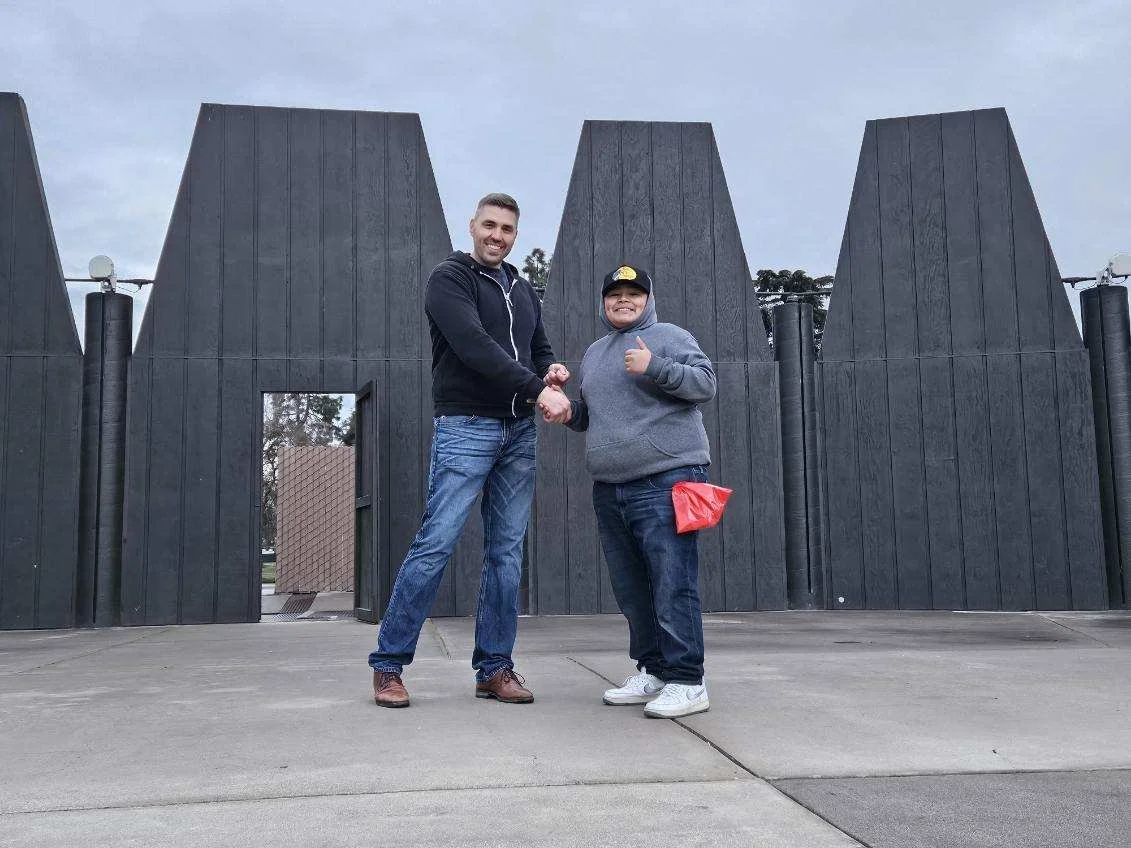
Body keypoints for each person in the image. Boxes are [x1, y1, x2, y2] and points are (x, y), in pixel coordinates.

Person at [369, 193, 572, 708]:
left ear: (515, 235)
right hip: (467, 427)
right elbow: (474, 346)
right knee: (436, 543)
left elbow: (538, 347)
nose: (497, 236)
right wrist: (538, 390)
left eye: (507, 229)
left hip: (518, 432)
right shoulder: (450, 279)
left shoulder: (522, 289)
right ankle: (388, 665)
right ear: (473, 226)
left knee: (505, 553)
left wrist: (550, 371)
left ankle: (494, 669)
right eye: (489, 225)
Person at [540, 265, 716, 718]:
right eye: (615, 293)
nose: (623, 300)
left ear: (648, 299)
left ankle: (687, 680)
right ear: (604, 302)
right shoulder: (595, 352)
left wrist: (654, 366)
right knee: (633, 588)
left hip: (666, 478)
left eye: (633, 293)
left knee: (672, 582)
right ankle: (655, 671)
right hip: (611, 487)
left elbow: (705, 384)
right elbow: (593, 415)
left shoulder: (670, 336)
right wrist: (566, 410)